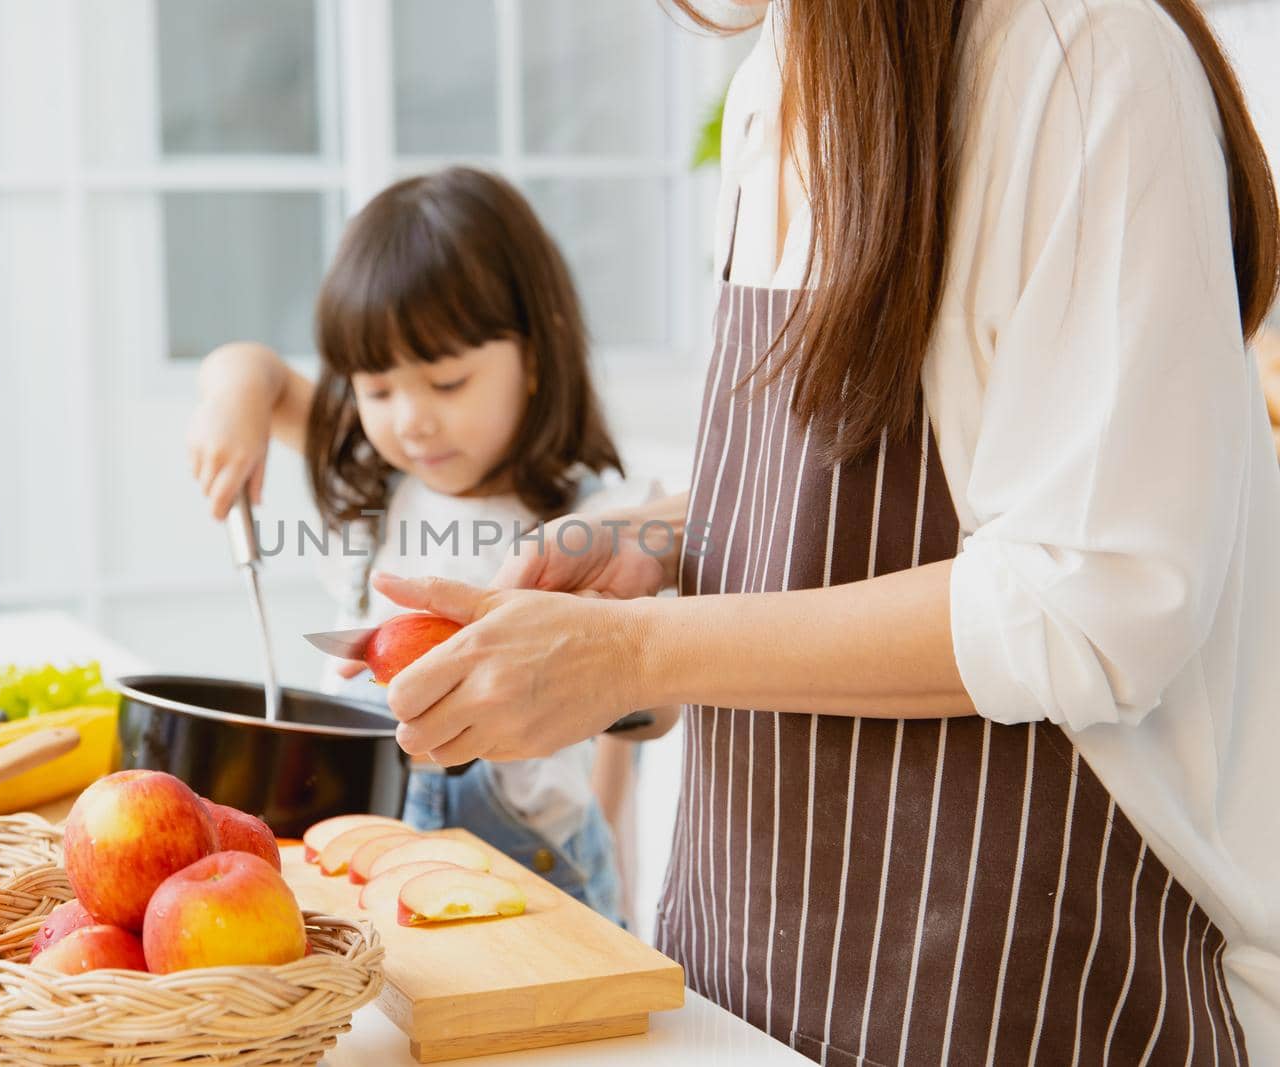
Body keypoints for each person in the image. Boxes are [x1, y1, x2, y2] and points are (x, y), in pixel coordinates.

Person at [366, 0, 1280, 1062]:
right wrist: (669, 536)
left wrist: (631, 653)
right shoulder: (776, 80)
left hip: (1017, 981)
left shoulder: (1080, 60)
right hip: (744, 957)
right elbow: (871, 491)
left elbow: (1090, 602)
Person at [187, 165, 679, 925]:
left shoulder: (599, 520)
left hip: (536, 882)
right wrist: (230, 398)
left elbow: (656, 710)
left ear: (537, 356)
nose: (411, 419)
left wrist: (626, 681)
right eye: (377, 389)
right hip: (367, 866)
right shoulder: (372, 478)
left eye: (447, 382)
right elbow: (252, 370)